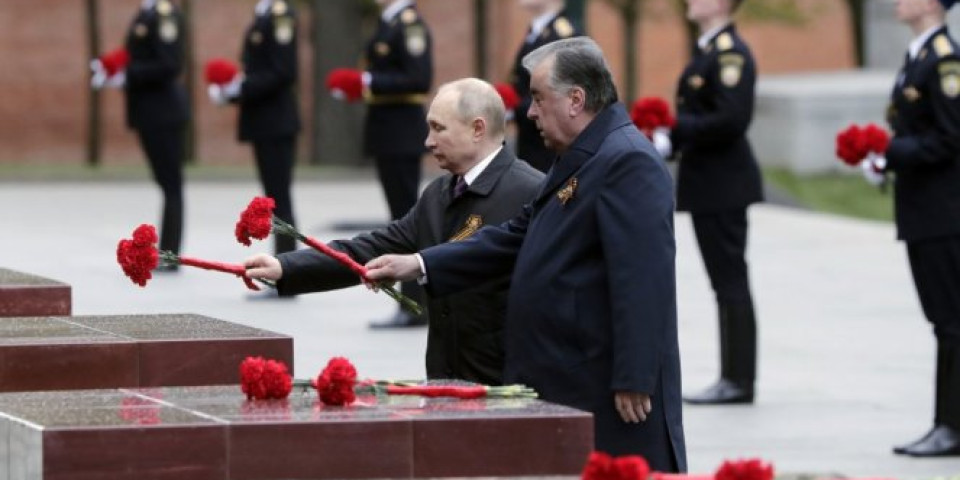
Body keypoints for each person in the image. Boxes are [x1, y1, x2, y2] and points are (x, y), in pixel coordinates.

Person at [362, 38, 686, 472]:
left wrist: (635, 377)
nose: (529, 112)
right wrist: (420, 264)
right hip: (568, 376)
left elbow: (644, 279)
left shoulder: (627, 161)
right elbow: (515, 233)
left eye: (537, 98)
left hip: (611, 389)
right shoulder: (581, 156)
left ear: (576, 100)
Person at [245, 78, 544, 385]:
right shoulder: (439, 193)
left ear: (477, 129)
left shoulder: (530, 190)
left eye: (439, 129)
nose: (428, 141)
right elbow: (371, 247)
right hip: (446, 379)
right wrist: (285, 267)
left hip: (508, 383)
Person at [860, 0, 960, 457]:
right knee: (943, 322)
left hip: (944, 212)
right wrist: (885, 160)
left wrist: (892, 152)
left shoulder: (944, 60)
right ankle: (946, 422)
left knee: (951, 322)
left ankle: (951, 427)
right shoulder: (921, 55)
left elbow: (949, 137)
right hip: (925, 211)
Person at [661, 0, 764, 405]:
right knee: (724, 283)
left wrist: (674, 129)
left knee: (730, 281)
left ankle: (738, 379)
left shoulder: (729, 54)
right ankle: (733, 376)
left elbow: (731, 119)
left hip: (724, 183)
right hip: (710, 183)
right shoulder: (709, 50)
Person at [92, 0, 188, 269]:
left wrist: (128, 75)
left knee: (171, 185)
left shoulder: (164, 14)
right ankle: (169, 252)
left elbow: (170, 64)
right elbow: (141, 53)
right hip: (150, 113)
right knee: (165, 183)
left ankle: (170, 254)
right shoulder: (147, 12)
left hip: (163, 112)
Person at [360, 0, 434, 328]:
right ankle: (409, 303)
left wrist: (370, 81)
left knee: (407, 220)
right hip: (387, 130)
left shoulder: (409, 24)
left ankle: (414, 304)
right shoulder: (388, 22)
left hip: (402, 131)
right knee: (398, 218)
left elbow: (419, 78)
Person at [209, 0, 300, 258]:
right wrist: (233, 92)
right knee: (274, 199)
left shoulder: (280, 15)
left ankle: (288, 270)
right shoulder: (264, 13)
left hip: (276, 121)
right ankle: (284, 268)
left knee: (279, 200)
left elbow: (283, 71)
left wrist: (242, 88)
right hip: (265, 122)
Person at [508, 0, 581, 173]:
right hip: (530, 136)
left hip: (548, 142)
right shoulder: (536, 30)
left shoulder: (564, 33)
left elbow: (561, 88)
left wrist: (518, 107)